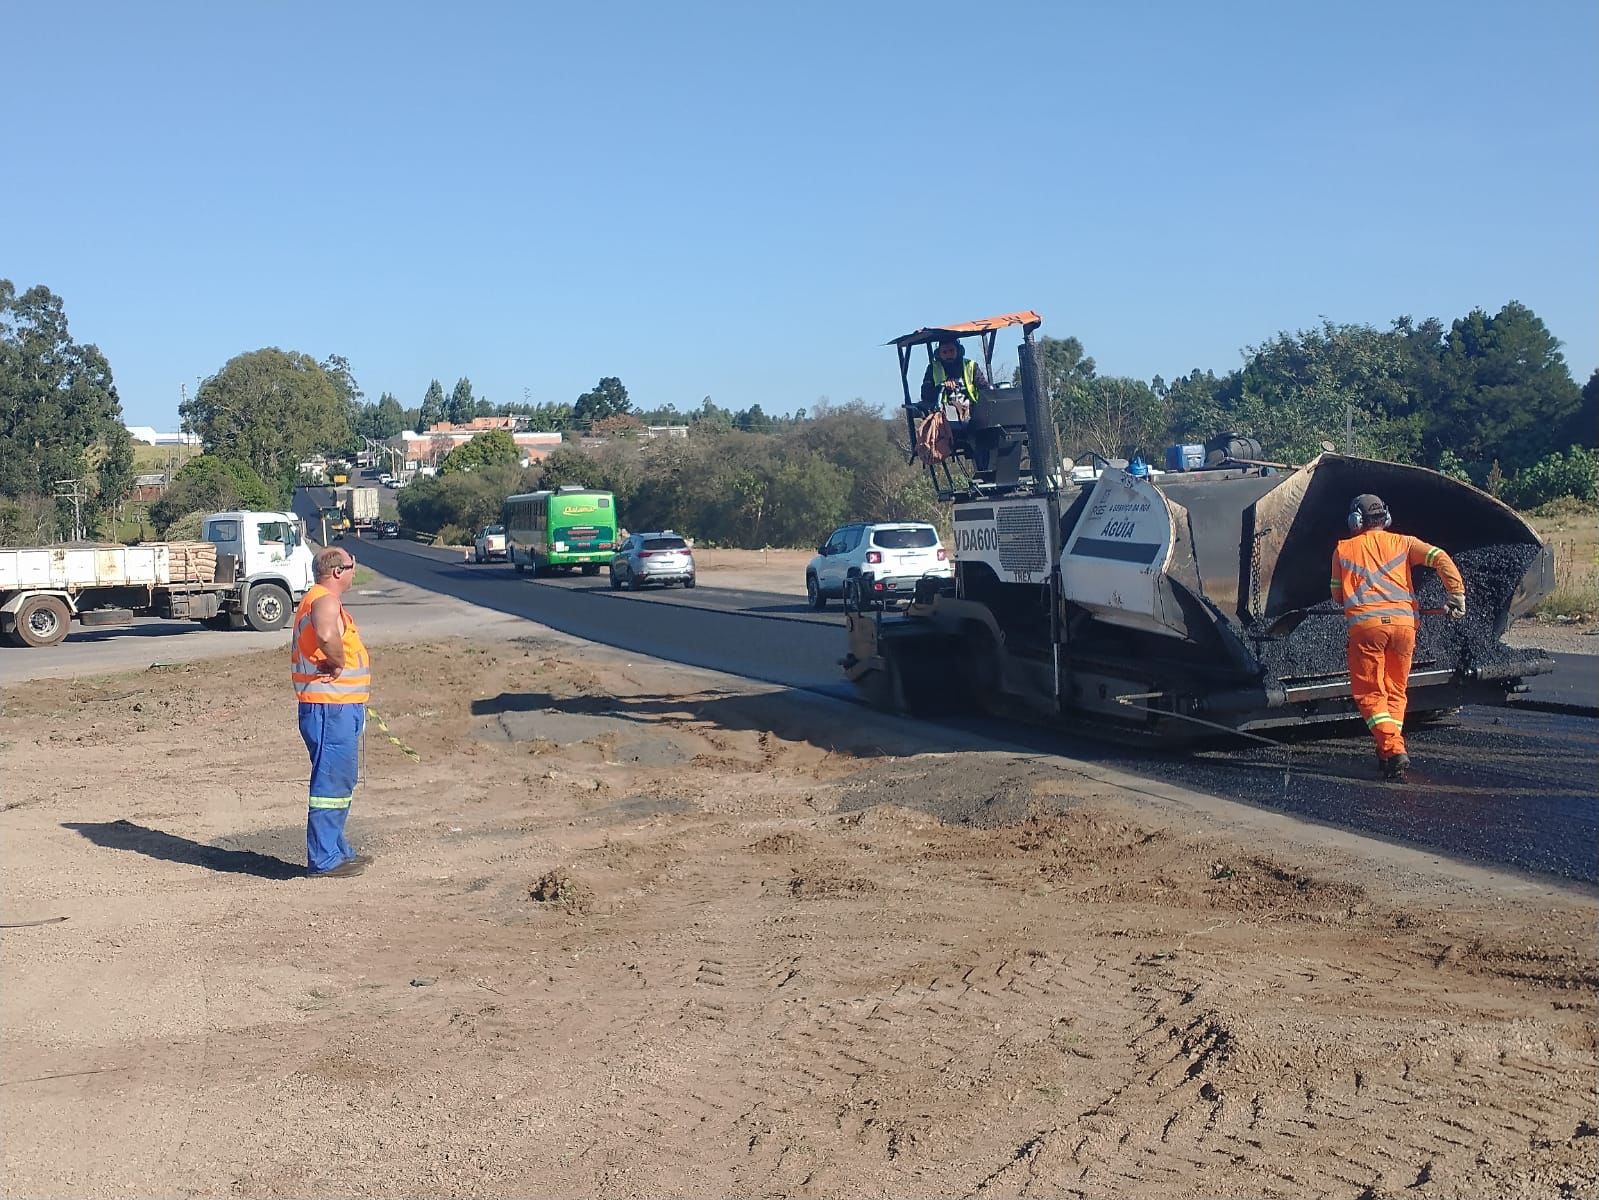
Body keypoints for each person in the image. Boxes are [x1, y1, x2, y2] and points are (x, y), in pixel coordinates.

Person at [1331, 493, 1466, 781]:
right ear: (1386, 517)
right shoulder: (1405, 543)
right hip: (1405, 628)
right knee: (1395, 691)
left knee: (1370, 694)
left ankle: (1393, 749)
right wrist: (1455, 594)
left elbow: (1337, 596)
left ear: (1356, 520)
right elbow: (1440, 557)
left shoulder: (1343, 550)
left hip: (1368, 630)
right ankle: (1386, 752)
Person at [291, 546, 373, 877]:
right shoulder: (325, 599)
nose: (355, 571)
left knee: (339, 779)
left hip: (335, 707)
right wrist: (338, 662)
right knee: (331, 783)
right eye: (353, 566)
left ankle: (337, 850)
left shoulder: (318, 598)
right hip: (330, 708)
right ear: (338, 571)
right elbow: (325, 634)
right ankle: (324, 859)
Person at [919, 337, 989, 412]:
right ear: (939, 354)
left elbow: (984, 387)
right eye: (944, 352)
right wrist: (941, 387)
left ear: (958, 350)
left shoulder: (971, 365)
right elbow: (925, 394)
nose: (948, 355)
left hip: (972, 409)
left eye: (951, 351)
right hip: (943, 412)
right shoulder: (932, 369)